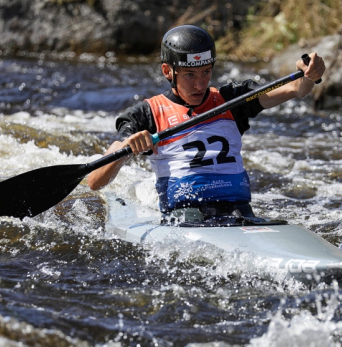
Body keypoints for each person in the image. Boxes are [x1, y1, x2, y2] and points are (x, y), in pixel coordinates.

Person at [87, 25, 325, 221]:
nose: (200, 85)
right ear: (167, 71)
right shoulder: (146, 114)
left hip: (240, 212)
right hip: (183, 216)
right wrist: (128, 147)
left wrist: (309, 73)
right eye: (190, 75)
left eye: (206, 72)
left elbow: (296, 89)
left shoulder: (233, 99)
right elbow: (95, 182)